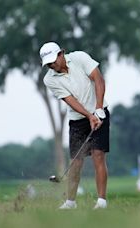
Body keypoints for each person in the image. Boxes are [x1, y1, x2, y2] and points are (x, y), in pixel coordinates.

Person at [40, 42, 110, 209]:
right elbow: (70, 100)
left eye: (53, 61)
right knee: (76, 161)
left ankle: (101, 202)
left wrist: (98, 109)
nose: (52, 65)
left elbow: (98, 79)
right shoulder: (49, 79)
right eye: (48, 64)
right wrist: (89, 115)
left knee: (98, 155)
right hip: (78, 119)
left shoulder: (80, 58)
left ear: (61, 53)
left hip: (100, 112)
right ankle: (70, 202)